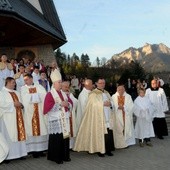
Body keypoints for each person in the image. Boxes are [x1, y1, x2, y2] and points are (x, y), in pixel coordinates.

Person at [74, 78, 115, 157]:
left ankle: (108, 150)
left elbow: (112, 101)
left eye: (103, 83)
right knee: (101, 133)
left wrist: (111, 103)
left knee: (108, 133)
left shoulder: (106, 92)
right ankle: (100, 151)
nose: (102, 84)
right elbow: (92, 105)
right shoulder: (93, 93)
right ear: (96, 84)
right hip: (99, 117)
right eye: (100, 83)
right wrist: (102, 104)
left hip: (108, 116)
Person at [43, 69, 71, 164]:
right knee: (57, 139)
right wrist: (60, 105)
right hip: (56, 120)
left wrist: (68, 104)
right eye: (59, 82)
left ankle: (65, 156)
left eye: (60, 82)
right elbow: (47, 107)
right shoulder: (50, 94)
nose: (60, 84)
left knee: (65, 138)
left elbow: (70, 103)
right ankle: (56, 157)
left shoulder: (63, 93)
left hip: (64, 119)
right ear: (54, 83)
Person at [21, 74, 48, 158]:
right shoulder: (23, 88)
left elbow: (44, 95)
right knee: (31, 130)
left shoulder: (39, 86)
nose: (25, 81)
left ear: (31, 79)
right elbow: (23, 98)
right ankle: (33, 151)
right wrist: (35, 96)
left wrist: (35, 96)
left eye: (27, 79)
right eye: (24, 80)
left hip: (39, 112)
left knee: (41, 129)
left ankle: (40, 150)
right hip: (30, 113)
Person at [0, 77, 27, 161]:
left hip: (18, 116)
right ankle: (9, 156)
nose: (14, 84)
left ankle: (21, 153)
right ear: (7, 82)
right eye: (12, 82)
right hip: (8, 119)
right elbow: (1, 104)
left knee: (19, 134)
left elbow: (21, 103)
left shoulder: (17, 92)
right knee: (9, 136)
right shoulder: (2, 93)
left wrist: (21, 105)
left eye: (14, 83)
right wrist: (13, 104)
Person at [112, 84, 135, 149]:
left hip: (126, 115)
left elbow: (131, 106)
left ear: (124, 89)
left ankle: (126, 143)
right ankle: (118, 143)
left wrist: (124, 107)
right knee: (118, 129)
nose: (121, 91)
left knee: (126, 128)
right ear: (117, 90)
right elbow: (112, 105)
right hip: (117, 116)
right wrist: (117, 107)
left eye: (122, 89)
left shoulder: (128, 96)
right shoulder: (113, 96)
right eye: (119, 89)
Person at [61, 81, 78, 149]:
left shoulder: (70, 94)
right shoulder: (60, 94)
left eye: (68, 87)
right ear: (61, 86)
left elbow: (76, 102)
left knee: (71, 129)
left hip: (71, 115)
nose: (67, 88)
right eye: (65, 87)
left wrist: (70, 97)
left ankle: (71, 146)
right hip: (63, 115)